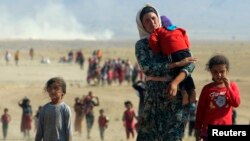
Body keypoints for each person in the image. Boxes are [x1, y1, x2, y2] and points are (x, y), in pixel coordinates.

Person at [135, 4, 197, 141]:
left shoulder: (172, 36)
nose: (152, 23)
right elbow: (148, 68)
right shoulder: (142, 45)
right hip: (154, 99)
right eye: (147, 20)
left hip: (177, 98)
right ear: (142, 25)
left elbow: (190, 63)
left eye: (153, 18)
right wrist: (175, 64)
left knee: (173, 137)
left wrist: (176, 81)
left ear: (158, 18)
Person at [149, 15, 196, 105]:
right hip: (186, 52)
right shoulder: (179, 29)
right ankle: (192, 92)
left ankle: (184, 94)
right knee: (186, 74)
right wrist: (186, 48)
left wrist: (158, 50)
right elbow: (186, 38)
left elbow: (153, 40)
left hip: (173, 54)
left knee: (178, 73)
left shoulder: (159, 30)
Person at [194, 54, 240, 141]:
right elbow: (200, 111)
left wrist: (228, 88)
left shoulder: (233, 86)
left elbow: (236, 103)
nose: (219, 75)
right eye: (215, 72)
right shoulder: (207, 89)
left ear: (227, 71)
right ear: (210, 71)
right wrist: (197, 130)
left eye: (222, 72)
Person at [35, 77, 72, 141]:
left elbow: (68, 131)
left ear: (63, 92)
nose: (52, 91)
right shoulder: (44, 109)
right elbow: (39, 132)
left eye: (56, 88)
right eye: (50, 89)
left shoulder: (65, 109)